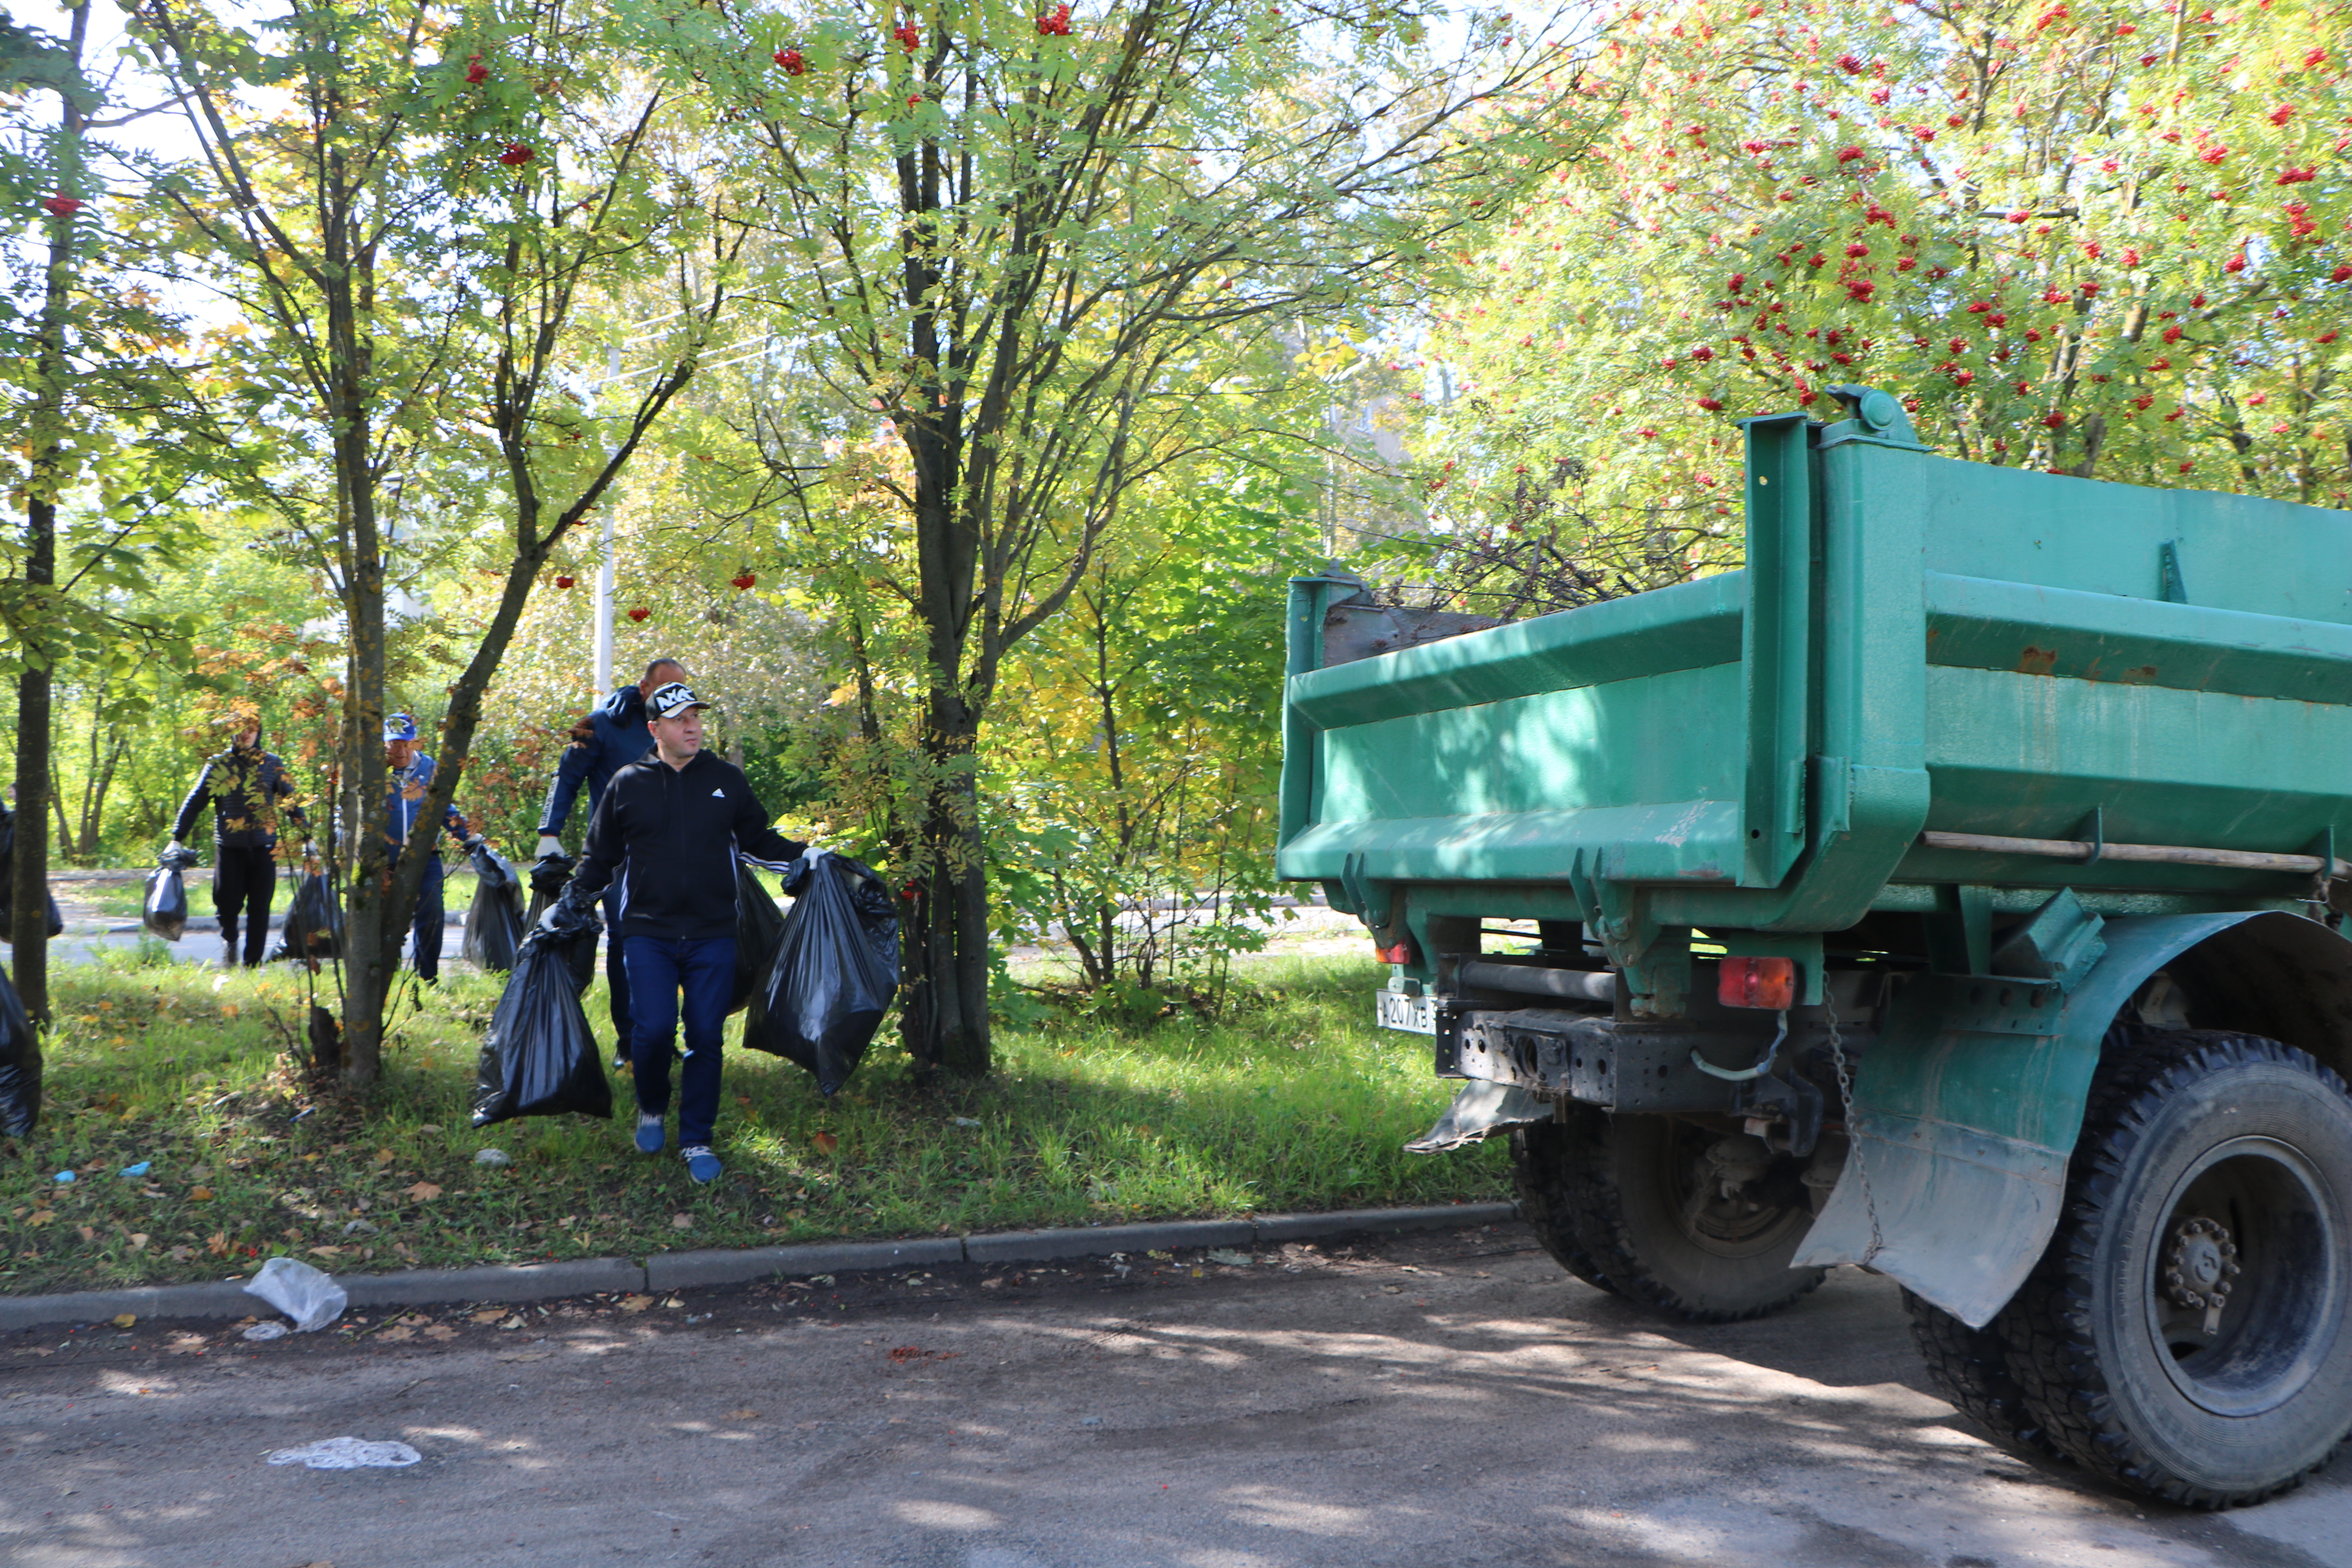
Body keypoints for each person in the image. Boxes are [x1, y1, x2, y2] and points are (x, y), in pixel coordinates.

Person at [555, 681, 804, 1183]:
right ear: (655, 729)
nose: (692, 726)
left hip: (714, 932)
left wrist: (807, 857)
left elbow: (758, 841)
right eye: (679, 719)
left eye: (695, 716)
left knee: (707, 1036)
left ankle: (696, 1138)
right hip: (648, 931)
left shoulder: (726, 780)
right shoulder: (628, 783)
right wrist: (569, 901)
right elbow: (599, 859)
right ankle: (652, 1106)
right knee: (650, 1032)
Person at [536, 656, 690, 1070]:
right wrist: (548, 832)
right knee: (629, 939)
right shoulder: (601, 725)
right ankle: (630, 1039)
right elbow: (565, 777)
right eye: (664, 691)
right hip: (618, 855)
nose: (674, 701)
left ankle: (661, 1036)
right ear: (644, 689)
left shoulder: (679, 729)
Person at [167, 711, 312, 967]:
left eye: (252, 728)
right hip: (230, 849)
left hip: (264, 849)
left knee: (260, 908)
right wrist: (177, 838)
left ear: (259, 731)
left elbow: (290, 802)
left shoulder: (271, 764)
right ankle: (231, 942)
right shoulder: (219, 764)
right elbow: (195, 802)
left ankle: (253, 964)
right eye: (241, 728)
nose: (247, 733)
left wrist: (308, 836)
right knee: (226, 905)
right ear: (232, 731)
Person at [382, 713, 480, 984]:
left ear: (414, 742)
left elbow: (444, 808)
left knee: (432, 911)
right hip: (383, 860)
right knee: (383, 921)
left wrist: (467, 835)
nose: (400, 751)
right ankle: (382, 979)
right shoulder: (374, 771)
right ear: (384, 744)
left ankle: (428, 977)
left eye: (405, 744)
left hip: (425, 857)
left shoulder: (429, 768)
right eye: (393, 745)